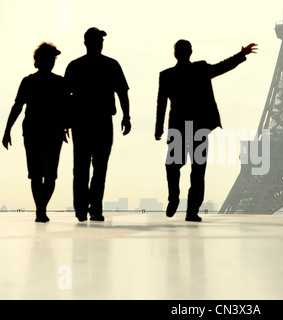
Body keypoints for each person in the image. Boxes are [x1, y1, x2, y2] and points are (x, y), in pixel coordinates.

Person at [155, 40, 257, 222]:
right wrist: (241, 55)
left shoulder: (166, 75)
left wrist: (158, 128)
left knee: (172, 166)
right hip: (199, 127)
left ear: (175, 53)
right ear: (190, 52)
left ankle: (173, 197)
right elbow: (222, 67)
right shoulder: (200, 69)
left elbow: (161, 104)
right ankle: (192, 211)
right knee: (198, 170)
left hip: (178, 126)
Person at [64, 27, 131, 222]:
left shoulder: (75, 66)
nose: (100, 44)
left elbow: (65, 98)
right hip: (97, 121)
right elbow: (122, 93)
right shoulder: (110, 65)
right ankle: (93, 208)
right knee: (97, 167)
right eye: (98, 41)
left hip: (83, 122)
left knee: (83, 167)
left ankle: (83, 209)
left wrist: (65, 123)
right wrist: (126, 117)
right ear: (88, 43)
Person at [2, 43, 69, 223]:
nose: (52, 62)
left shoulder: (56, 82)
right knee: (41, 174)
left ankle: (40, 209)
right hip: (37, 131)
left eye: (53, 59)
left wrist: (64, 127)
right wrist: (7, 130)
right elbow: (17, 106)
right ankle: (41, 210)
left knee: (44, 174)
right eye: (50, 58)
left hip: (45, 131)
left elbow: (65, 108)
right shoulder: (31, 82)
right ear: (40, 61)